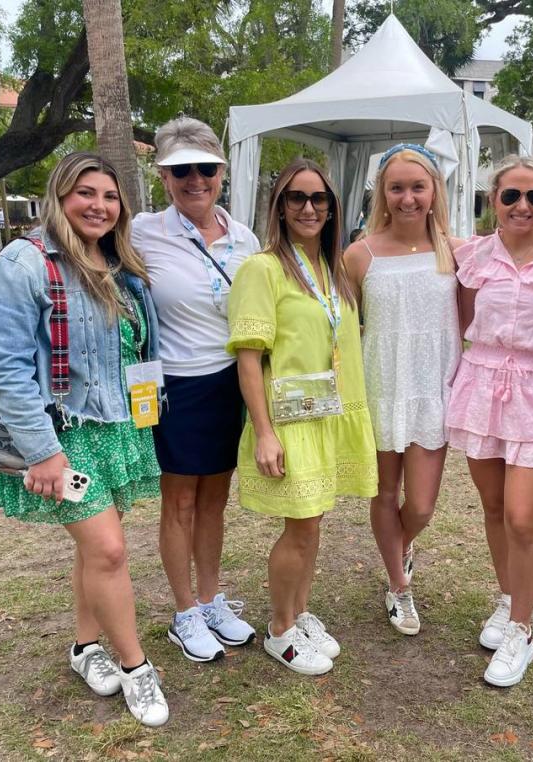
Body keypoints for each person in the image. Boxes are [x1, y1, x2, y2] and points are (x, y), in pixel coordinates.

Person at [0, 152, 169, 727]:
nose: (99, 206)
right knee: (109, 550)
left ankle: (86, 649)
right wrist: (43, 452)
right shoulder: (24, 263)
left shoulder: (121, 264)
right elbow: (5, 368)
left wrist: (148, 412)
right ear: (59, 197)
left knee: (95, 549)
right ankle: (137, 668)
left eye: (110, 196)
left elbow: (137, 350)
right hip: (61, 434)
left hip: (114, 428)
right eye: (86, 193)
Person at [445, 155, 533, 687]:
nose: (524, 206)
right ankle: (508, 600)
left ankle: (522, 630)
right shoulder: (473, 256)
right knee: (493, 506)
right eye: (512, 196)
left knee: (523, 517)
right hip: (481, 383)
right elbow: (461, 322)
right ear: (494, 201)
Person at [227, 158, 378, 675]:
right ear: (280, 205)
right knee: (301, 528)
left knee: (314, 526)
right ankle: (279, 628)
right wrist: (265, 433)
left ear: (334, 208)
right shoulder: (262, 269)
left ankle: (299, 611)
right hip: (291, 422)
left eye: (319, 199)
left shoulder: (335, 269)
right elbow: (248, 358)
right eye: (297, 198)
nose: (309, 208)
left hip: (330, 413)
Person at [131, 117, 259, 663]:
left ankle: (210, 599)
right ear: (163, 176)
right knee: (180, 500)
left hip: (231, 383)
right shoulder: (141, 230)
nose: (194, 179)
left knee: (215, 500)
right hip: (175, 386)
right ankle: (183, 612)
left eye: (205, 167)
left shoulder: (245, 237)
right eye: (181, 169)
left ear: (221, 171)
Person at [343, 143, 461, 636]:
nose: (408, 198)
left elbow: (469, 323)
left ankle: (400, 542)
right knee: (386, 492)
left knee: (422, 506)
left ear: (434, 191)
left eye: (418, 186)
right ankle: (398, 586)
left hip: (434, 387)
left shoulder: (456, 250)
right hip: (381, 387)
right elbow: (345, 331)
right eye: (397, 188)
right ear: (382, 194)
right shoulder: (359, 254)